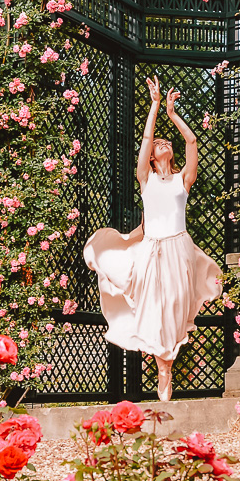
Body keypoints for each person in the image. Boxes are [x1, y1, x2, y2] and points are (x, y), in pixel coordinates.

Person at [84, 76, 223, 401]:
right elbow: (145, 138)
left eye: (165, 143)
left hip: (179, 247)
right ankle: (160, 365)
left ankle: (166, 364)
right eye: (158, 145)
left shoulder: (182, 180)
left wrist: (173, 115)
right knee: (153, 307)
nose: (163, 144)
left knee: (174, 306)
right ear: (149, 158)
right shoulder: (145, 178)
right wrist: (156, 104)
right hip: (150, 249)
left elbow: (191, 144)